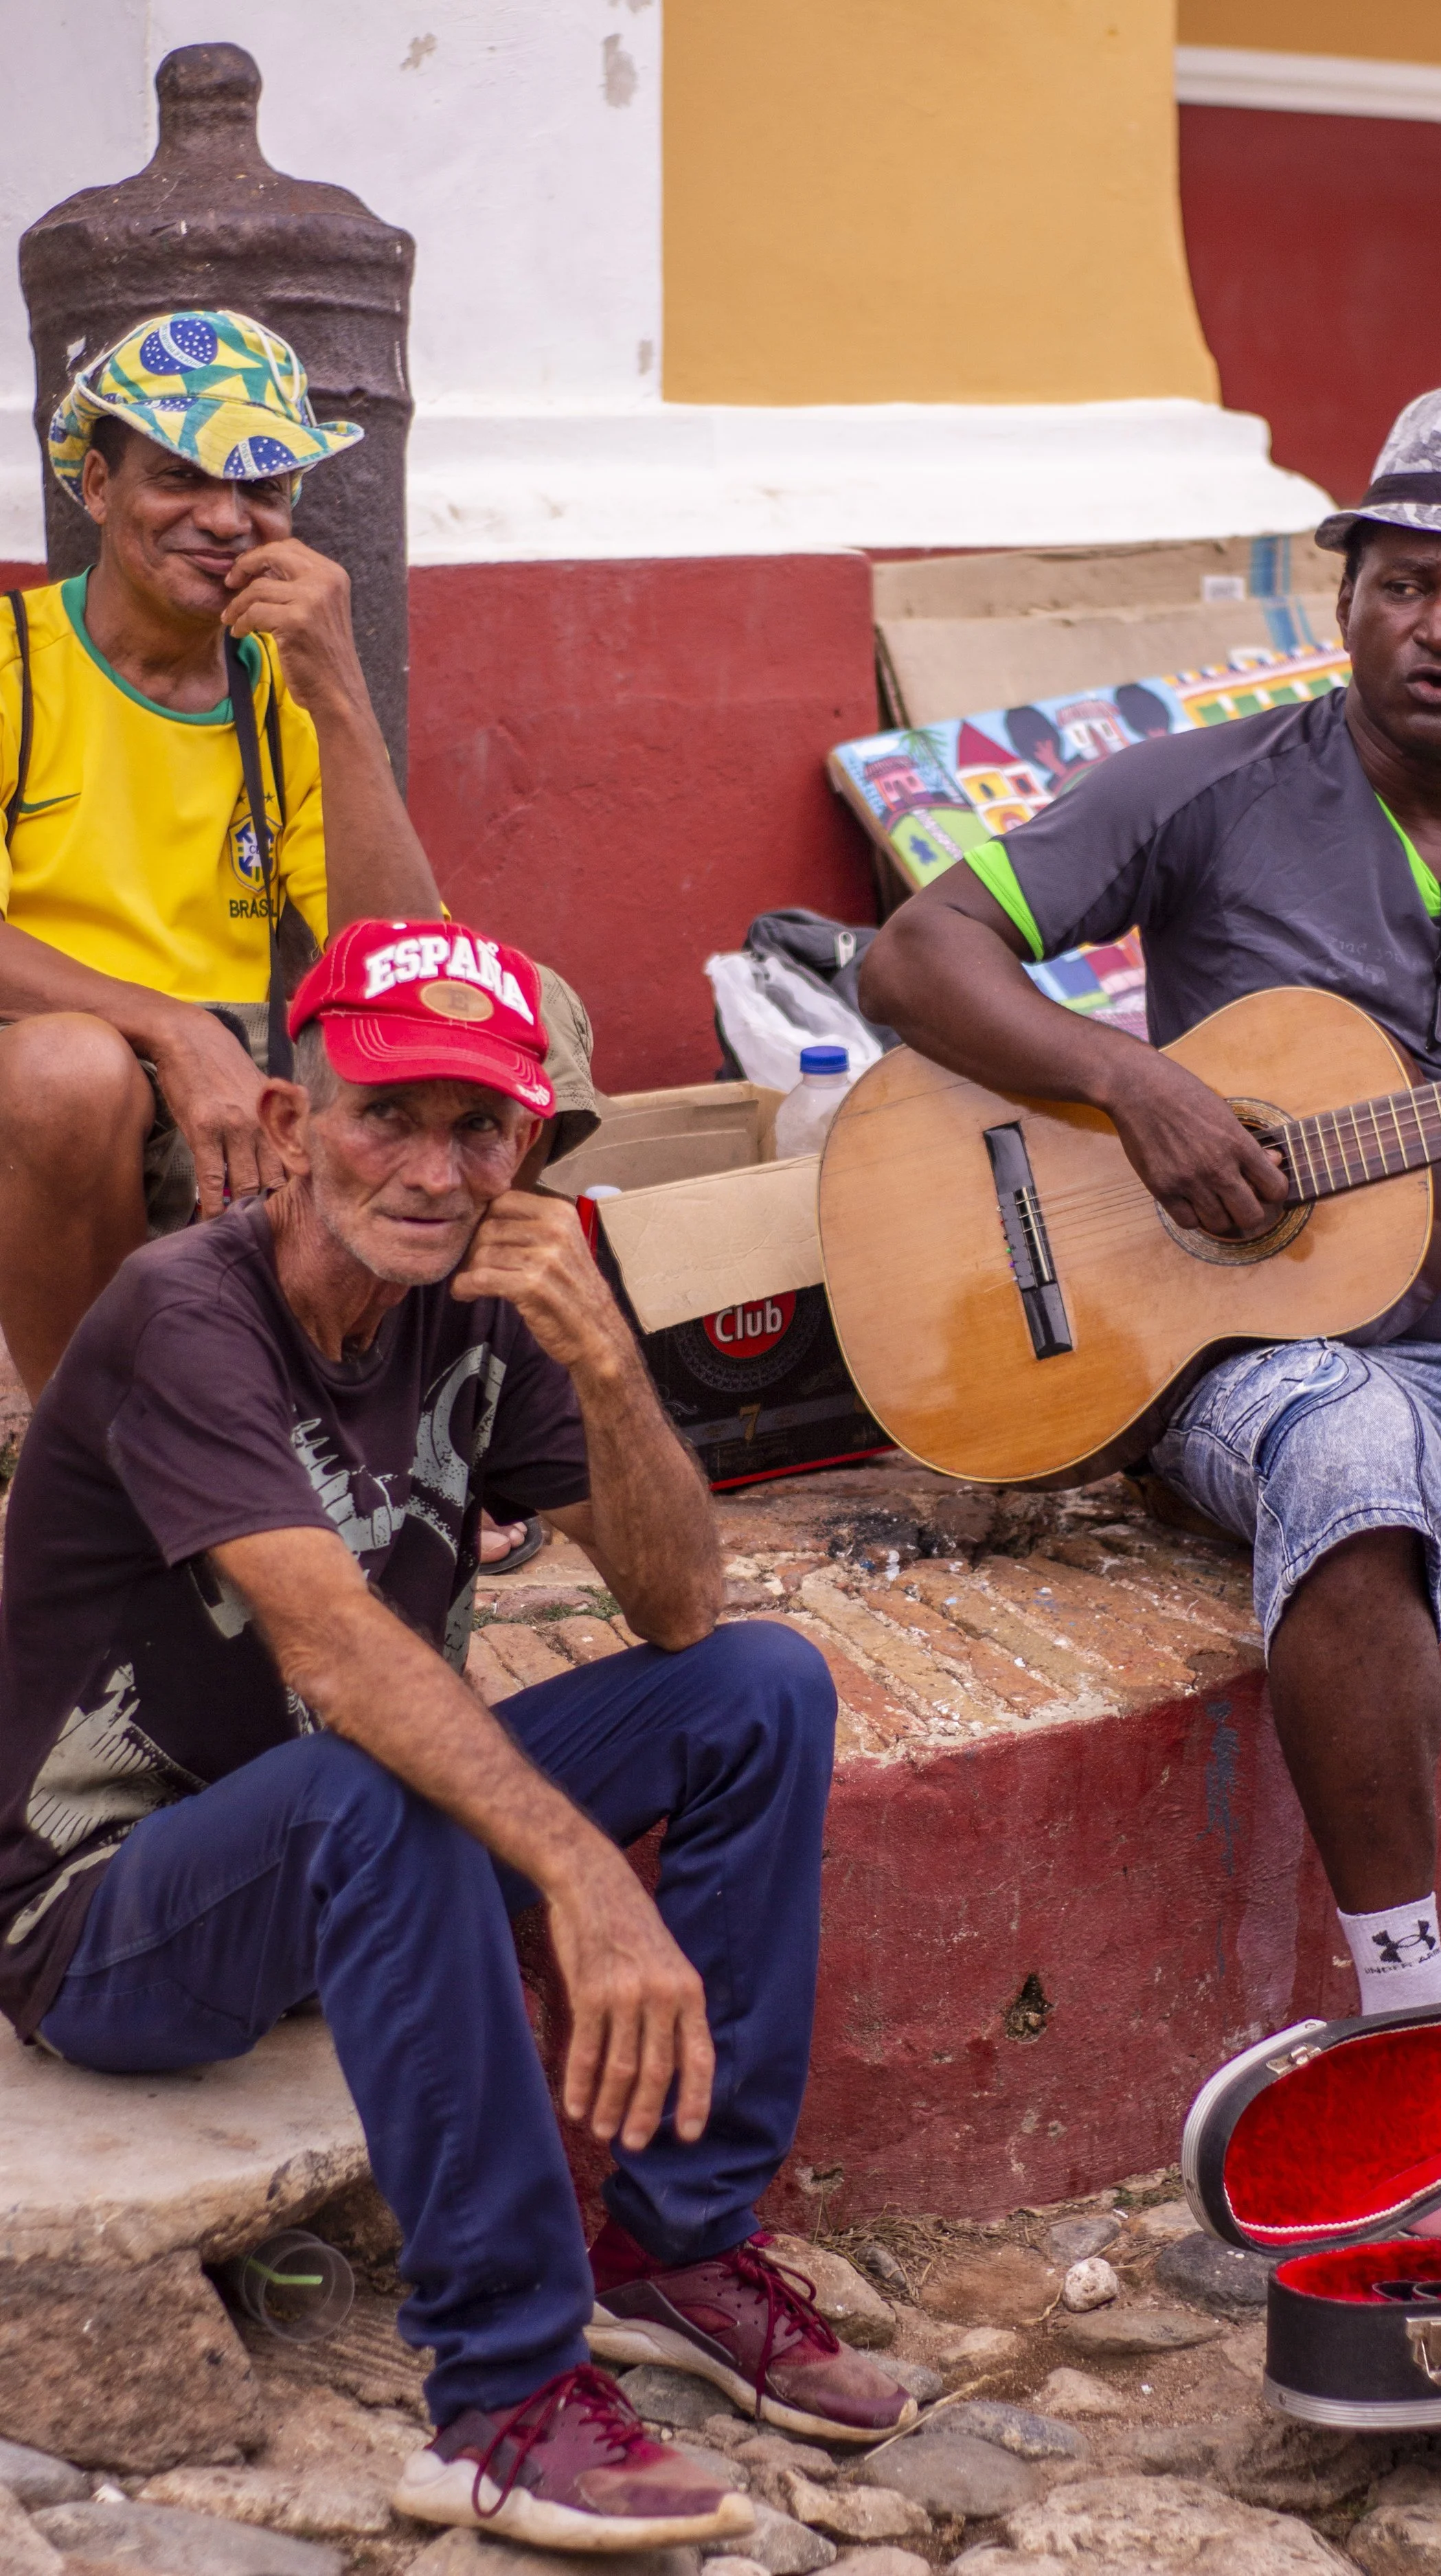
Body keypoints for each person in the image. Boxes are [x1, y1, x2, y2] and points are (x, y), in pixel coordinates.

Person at [861, 385, 1441, 2226]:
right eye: (1403, 582)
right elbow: (911, 950)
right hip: (1272, 1347)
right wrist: (1133, 1082)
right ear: (1342, 601)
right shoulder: (1203, 783)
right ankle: (1408, 2021)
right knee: (1346, 1464)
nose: (1438, 625)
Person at [0, 918, 910, 2551]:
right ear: (289, 1126)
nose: (430, 1171)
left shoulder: (486, 1300)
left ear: (529, 1148)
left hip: (345, 1857)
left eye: (475, 1127)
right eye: (384, 1114)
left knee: (759, 1686)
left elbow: (681, 1609)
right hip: (107, 1918)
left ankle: (678, 2250)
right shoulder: (183, 1313)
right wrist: (584, 1878)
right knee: (383, 1768)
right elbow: (340, 1654)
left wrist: (611, 1367)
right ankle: (498, 2399)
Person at [0, 308, 591, 1568]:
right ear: (99, 484)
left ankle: (440, 1422)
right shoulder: (14, 667)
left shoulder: (279, 692)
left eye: (260, 484)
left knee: (518, 1005)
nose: (225, 517)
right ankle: (96, 1462)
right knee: (67, 1069)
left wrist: (335, 687)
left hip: (255, 1067)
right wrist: (163, 1028)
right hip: (55, 1077)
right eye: (181, 475)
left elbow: (404, 948)